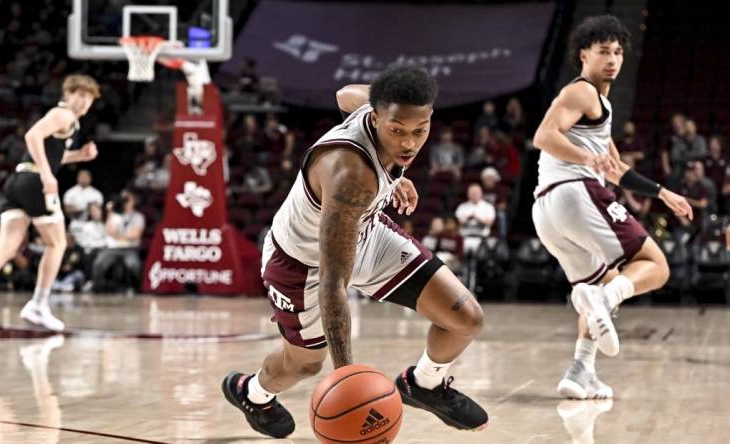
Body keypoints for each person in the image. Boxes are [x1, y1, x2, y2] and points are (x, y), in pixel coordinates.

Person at [221, 66, 488, 438]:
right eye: (397, 131)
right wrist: (349, 381)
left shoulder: (373, 109)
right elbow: (333, 284)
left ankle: (424, 384)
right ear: (376, 119)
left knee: (465, 318)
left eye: (419, 130)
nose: (409, 144)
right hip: (304, 263)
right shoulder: (350, 177)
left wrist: (397, 175)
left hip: (366, 231)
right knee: (304, 365)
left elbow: (344, 94)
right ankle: (252, 392)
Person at [531, 15, 692, 400]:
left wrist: (661, 192)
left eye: (618, 52)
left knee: (599, 283)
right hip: (575, 193)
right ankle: (603, 299)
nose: (613, 59)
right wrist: (587, 162)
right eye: (604, 51)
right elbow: (543, 136)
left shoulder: (600, 105)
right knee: (655, 266)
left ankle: (580, 371)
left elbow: (615, 169)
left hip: (548, 210)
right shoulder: (582, 92)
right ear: (583, 54)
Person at [0, 74, 101, 333]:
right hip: (35, 180)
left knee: (8, 245)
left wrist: (79, 155)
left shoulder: (69, 123)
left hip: (18, 180)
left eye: (89, 97)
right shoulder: (64, 114)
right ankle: (38, 304)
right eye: (80, 95)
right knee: (57, 242)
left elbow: (51, 152)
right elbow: (32, 136)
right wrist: (47, 175)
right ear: (67, 95)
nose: (84, 101)